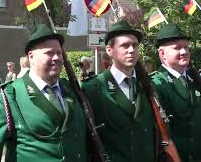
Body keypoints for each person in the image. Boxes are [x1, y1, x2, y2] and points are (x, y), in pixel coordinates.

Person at [0, 24, 89, 161]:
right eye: (49, 53)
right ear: (31, 56)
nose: (57, 58)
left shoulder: (73, 90)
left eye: (59, 53)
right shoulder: (9, 96)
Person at [80, 20, 156, 162]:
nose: (132, 50)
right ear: (109, 50)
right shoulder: (93, 88)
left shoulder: (147, 85)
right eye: (125, 46)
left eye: (134, 45)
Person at [150, 24, 201, 162]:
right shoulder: (155, 85)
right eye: (177, 48)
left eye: (186, 47)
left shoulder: (195, 81)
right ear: (162, 54)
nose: (184, 51)